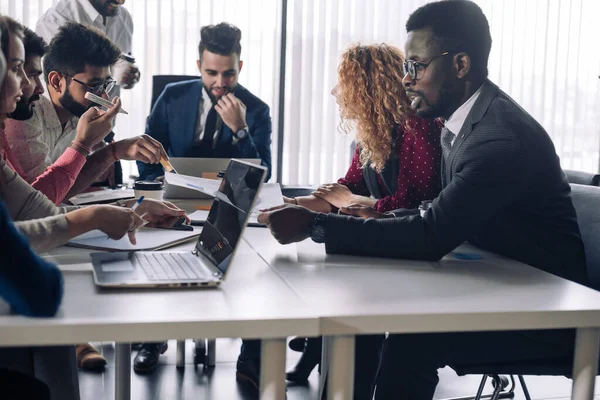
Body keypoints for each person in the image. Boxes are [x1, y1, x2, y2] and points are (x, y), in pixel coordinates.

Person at [257, 1, 587, 399]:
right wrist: (373, 216)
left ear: (460, 65)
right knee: (363, 314)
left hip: (544, 312)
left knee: (413, 337)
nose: (406, 79)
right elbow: (433, 210)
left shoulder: (498, 138)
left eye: (416, 66)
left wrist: (316, 226)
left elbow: (431, 233)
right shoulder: (462, 123)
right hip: (499, 279)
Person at [284, 43, 442, 383]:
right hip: (386, 251)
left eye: (343, 82)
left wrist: (354, 201)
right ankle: (324, 355)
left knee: (340, 297)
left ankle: (328, 358)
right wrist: (286, 206)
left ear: (369, 87)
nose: (333, 90)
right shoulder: (370, 137)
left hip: (418, 258)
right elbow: (342, 191)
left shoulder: (420, 129)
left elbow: (413, 205)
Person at [4, 22, 168, 205]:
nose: (104, 96)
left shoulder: (80, 114)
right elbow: (41, 200)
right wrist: (108, 152)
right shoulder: (24, 111)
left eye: (106, 84)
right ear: (57, 81)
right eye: (94, 86)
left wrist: (111, 150)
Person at [137, 22, 272, 181]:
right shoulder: (172, 97)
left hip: (227, 197)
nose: (220, 83)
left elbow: (263, 175)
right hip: (173, 192)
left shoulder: (258, 110)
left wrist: (240, 130)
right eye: (212, 73)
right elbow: (146, 152)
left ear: (240, 67)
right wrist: (156, 182)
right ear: (199, 66)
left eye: (229, 74)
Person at [36, 0, 140, 184]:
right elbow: (38, 200)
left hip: (91, 135)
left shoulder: (124, 18)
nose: (121, 2)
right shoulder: (57, 18)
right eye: (94, 86)